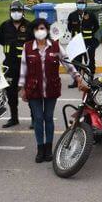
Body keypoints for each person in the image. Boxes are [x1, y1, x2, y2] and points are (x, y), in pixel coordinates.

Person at [19, 19, 86, 163]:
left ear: (47, 30)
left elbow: (68, 64)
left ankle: (49, 149)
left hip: (51, 88)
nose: (40, 31)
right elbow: (23, 69)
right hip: (33, 89)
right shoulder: (28, 47)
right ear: (33, 31)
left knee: (48, 118)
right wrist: (22, 88)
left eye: (42, 28)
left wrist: (78, 77)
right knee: (38, 119)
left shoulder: (55, 46)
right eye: (37, 29)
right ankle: (40, 148)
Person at [0, 0, 33, 129]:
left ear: (23, 12)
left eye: (18, 10)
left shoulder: (29, 26)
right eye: (13, 11)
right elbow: (0, 40)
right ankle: (14, 118)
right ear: (10, 12)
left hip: (26, 65)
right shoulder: (4, 26)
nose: (16, 13)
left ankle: (34, 119)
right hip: (10, 66)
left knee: (30, 93)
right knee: (11, 93)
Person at [67, 0, 100, 88]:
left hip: (89, 42)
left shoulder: (91, 15)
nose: (81, 4)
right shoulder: (72, 15)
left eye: (82, 3)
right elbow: (69, 28)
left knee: (90, 61)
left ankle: (91, 79)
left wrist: (90, 33)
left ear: (85, 4)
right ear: (76, 4)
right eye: (79, 3)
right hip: (77, 43)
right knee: (76, 61)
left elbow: (96, 26)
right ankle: (76, 80)